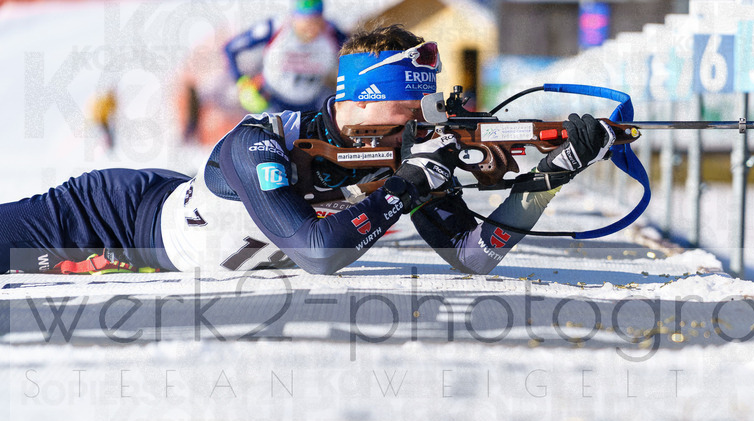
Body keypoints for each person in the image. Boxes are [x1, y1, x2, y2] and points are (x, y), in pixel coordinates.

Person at [0, 24, 613, 276]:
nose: (421, 122)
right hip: (111, 217)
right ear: (365, 100)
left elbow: (473, 255)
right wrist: (411, 183)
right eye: (410, 106)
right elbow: (319, 254)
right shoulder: (260, 141)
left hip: (177, 232)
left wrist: (549, 179)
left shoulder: (405, 150)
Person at [224, 0, 347, 115]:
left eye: (316, 22)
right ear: (294, 18)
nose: (311, 29)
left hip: (312, 103)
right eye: (306, 23)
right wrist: (241, 82)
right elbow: (231, 48)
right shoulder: (275, 27)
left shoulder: (332, 32)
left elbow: (353, 58)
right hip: (272, 100)